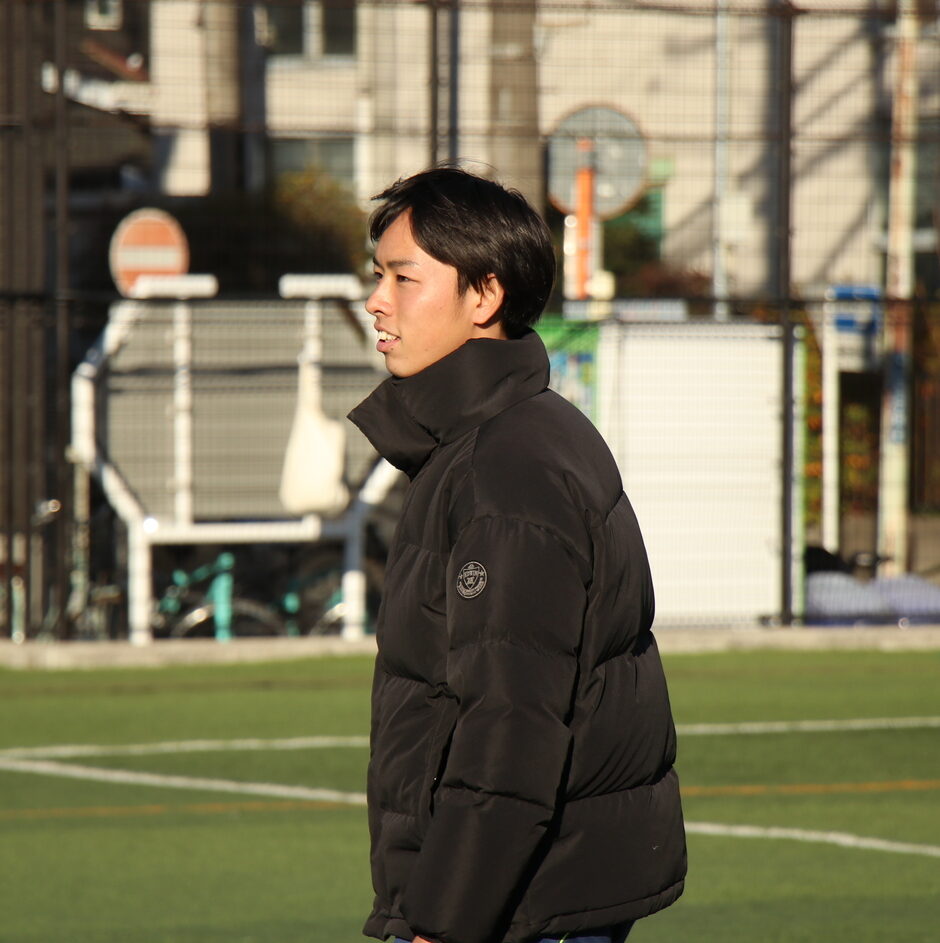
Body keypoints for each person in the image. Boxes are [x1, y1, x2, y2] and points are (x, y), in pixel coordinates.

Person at [348, 166, 686, 943]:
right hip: (525, 901)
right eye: (378, 275)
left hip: (518, 911)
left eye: (403, 277)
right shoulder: (490, 440)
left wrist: (444, 919)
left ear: (484, 296)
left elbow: (511, 723)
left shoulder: (507, 468)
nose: (377, 300)